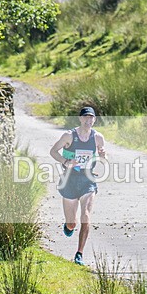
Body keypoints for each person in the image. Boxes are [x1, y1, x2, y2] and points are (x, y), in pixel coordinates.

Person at [49, 106, 106, 266]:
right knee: (72, 223)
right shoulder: (69, 135)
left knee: (86, 215)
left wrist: (103, 155)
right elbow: (53, 151)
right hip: (69, 179)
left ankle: (79, 253)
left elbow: (103, 157)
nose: (89, 120)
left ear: (94, 119)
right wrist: (66, 162)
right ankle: (69, 226)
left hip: (88, 179)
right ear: (80, 119)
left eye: (91, 118)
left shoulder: (98, 137)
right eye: (86, 117)